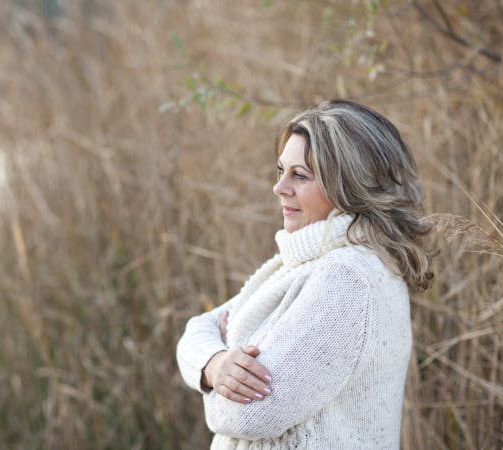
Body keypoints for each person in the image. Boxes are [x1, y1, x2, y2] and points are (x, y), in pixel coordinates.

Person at [176, 99, 434, 449]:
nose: (279, 188)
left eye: (300, 175)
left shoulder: (349, 278)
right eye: (280, 171)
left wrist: (217, 377)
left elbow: (250, 414)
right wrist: (215, 364)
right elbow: (198, 329)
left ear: (349, 186)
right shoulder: (301, 263)